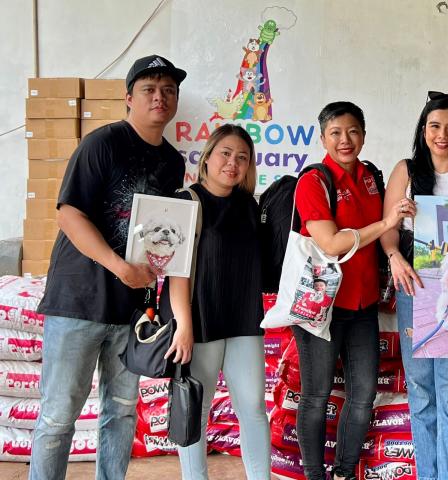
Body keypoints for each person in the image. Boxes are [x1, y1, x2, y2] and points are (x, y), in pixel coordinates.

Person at [30, 55, 187, 480]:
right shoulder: (102, 143)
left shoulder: (173, 163)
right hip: (78, 302)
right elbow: (69, 214)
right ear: (128, 98)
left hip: (132, 311)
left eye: (168, 90)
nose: (160, 97)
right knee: (59, 416)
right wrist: (120, 267)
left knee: (120, 413)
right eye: (150, 89)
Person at [380, 91, 448, 480]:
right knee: (422, 391)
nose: (441, 134)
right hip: (415, 287)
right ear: (423, 130)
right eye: (434, 126)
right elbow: (387, 231)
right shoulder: (406, 172)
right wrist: (394, 256)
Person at [293, 101, 407, 480]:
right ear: (323, 137)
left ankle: (342, 472)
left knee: (363, 395)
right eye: (336, 133)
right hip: (321, 307)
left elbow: (390, 229)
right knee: (316, 395)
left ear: (364, 134)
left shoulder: (371, 176)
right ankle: (314, 475)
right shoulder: (314, 181)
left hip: (363, 305)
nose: (346, 140)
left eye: (353, 131)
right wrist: (386, 222)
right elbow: (330, 243)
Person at [159, 124, 270, 480]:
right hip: (201, 320)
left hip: (244, 322)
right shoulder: (186, 201)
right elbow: (177, 270)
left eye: (242, 157)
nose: (232, 163)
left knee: (252, 407)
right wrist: (184, 325)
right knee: (198, 407)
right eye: (225, 153)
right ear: (207, 157)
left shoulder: (252, 208)